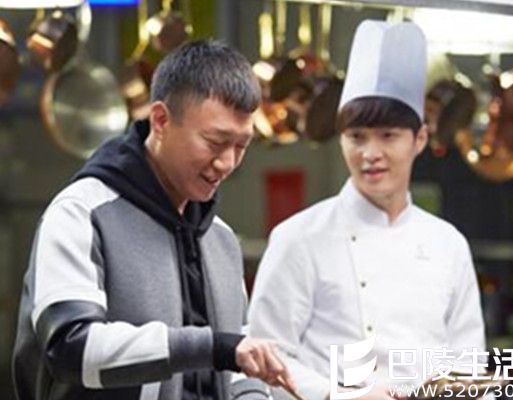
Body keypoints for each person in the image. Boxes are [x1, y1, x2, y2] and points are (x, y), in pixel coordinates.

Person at [12, 40, 295, 400]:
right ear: (160, 120)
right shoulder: (81, 213)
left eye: (241, 145)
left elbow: (240, 360)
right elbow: (70, 348)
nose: (227, 163)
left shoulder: (221, 239)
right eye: (214, 141)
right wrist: (212, 347)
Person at [248, 21, 488, 400]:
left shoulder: (448, 244)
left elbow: (468, 366)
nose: (370, 153)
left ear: (419, 139)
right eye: (357, 137)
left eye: (388, 136)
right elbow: (264, 360)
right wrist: (336, 395)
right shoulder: (299, 238)